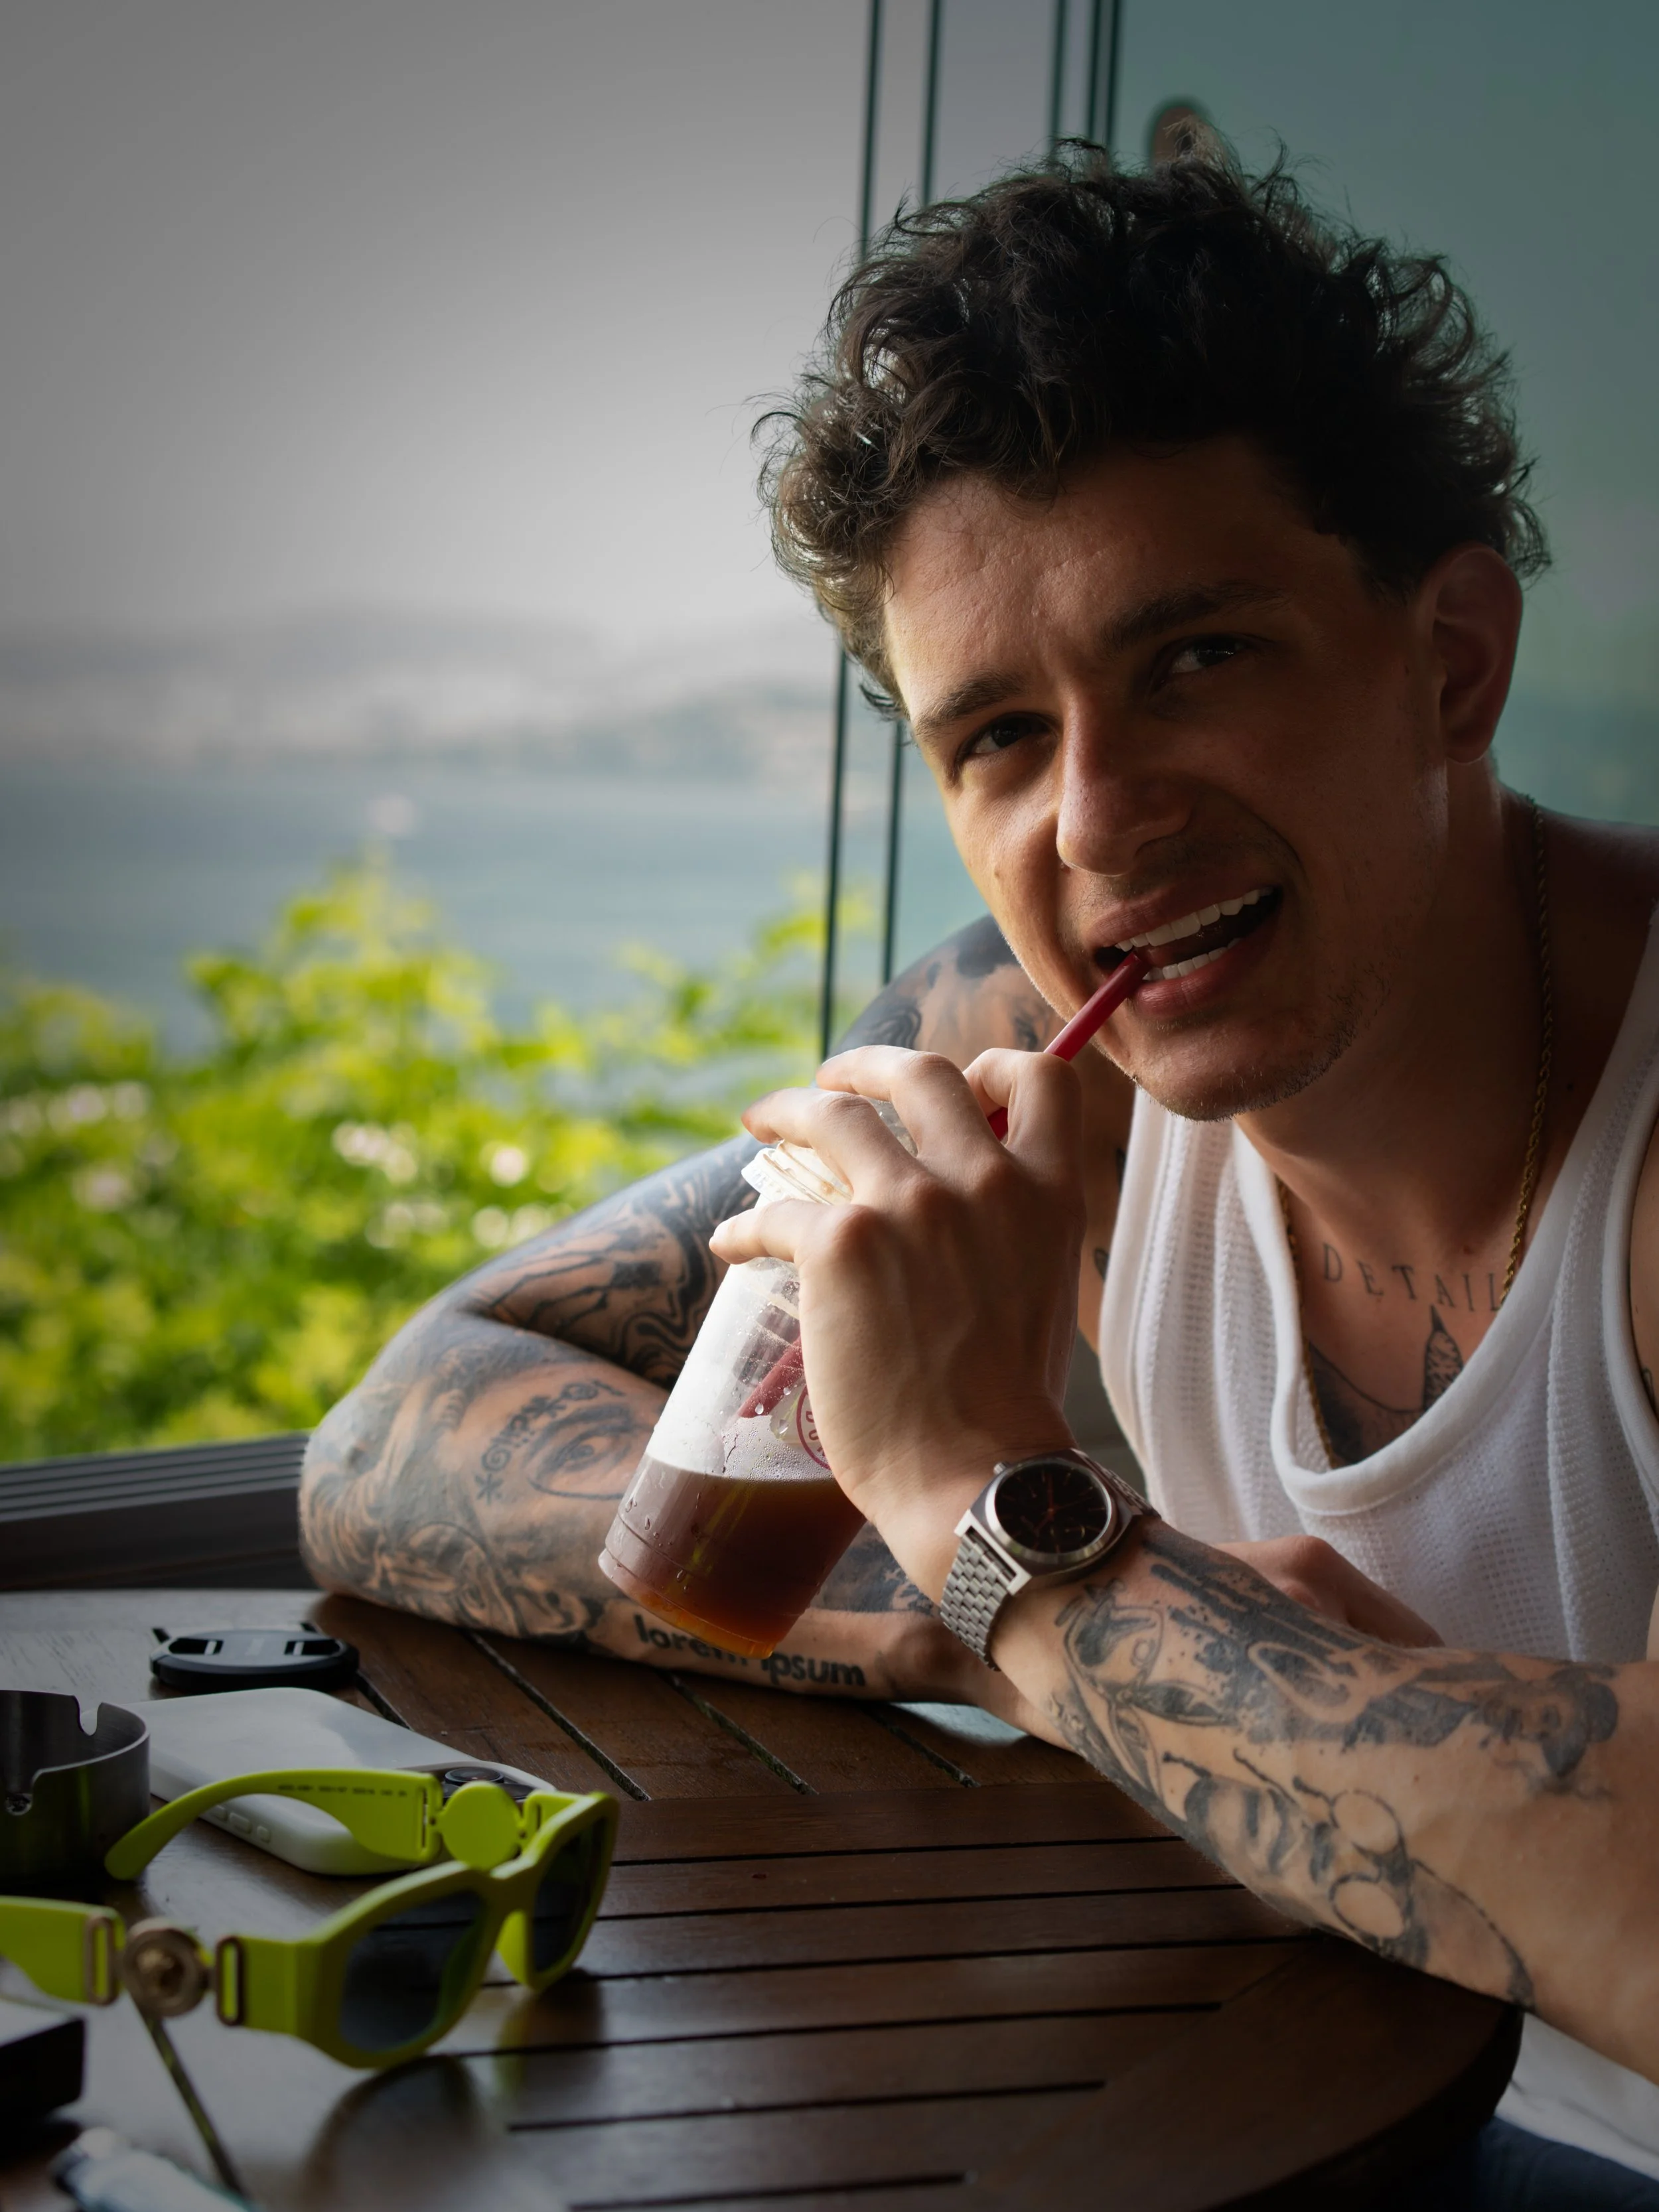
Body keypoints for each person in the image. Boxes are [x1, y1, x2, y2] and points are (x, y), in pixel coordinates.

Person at [301, 147, 1659, 2197]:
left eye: (1195, 655)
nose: (1097, 822)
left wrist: (995, 1514)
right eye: (1000, 736)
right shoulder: (1025, 1070)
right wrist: (987, 1602)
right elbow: (402, 1424)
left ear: (1449, 659)